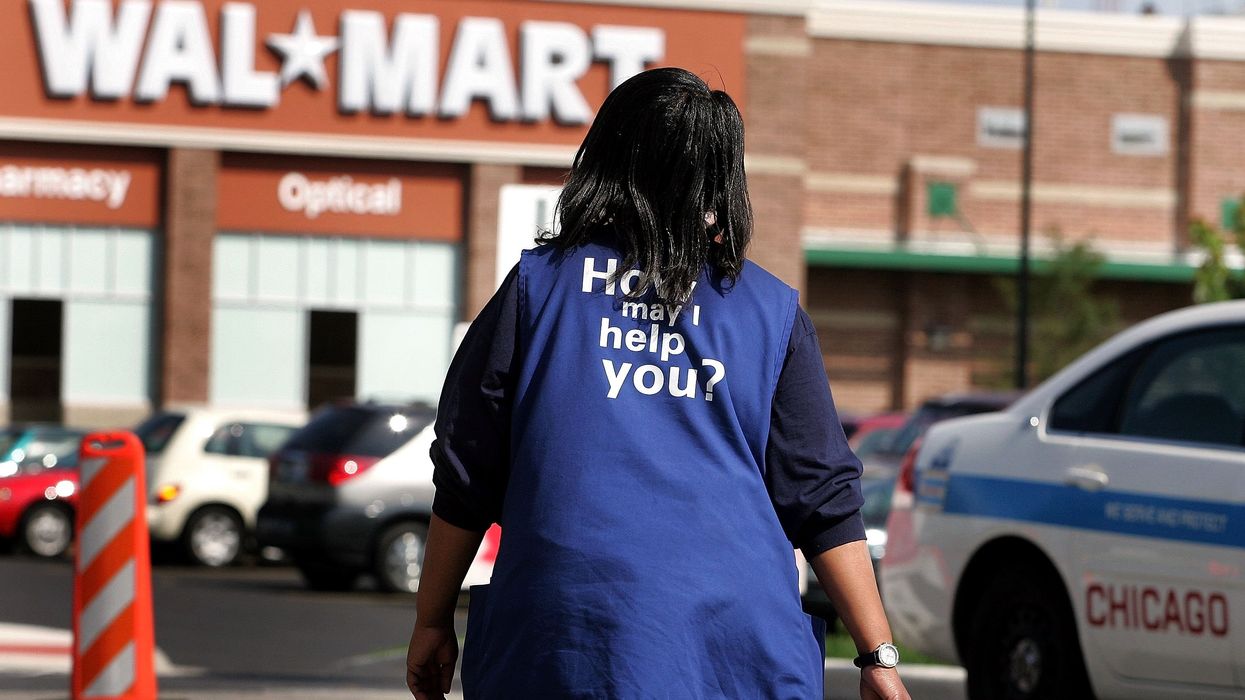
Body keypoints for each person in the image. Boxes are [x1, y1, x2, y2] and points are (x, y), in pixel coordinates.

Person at [406, 67, 911, 700]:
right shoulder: (770, 311)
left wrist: (432, 620)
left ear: (608, 158)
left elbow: (465, 470)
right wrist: (877, 655)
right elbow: (822, 498)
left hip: (565, 642)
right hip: (733, 650)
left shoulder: (538, 288)